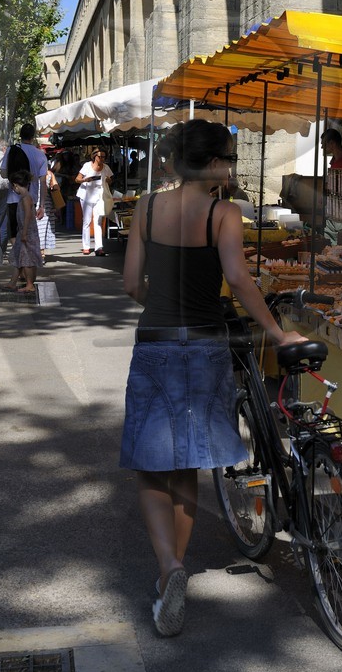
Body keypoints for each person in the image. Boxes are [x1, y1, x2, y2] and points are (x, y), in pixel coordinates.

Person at [121, 120, 308, 637]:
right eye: (228, 159)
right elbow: (239, 281)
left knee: (151, 465)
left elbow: (132, 282)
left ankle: (170, 571)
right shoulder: (224, 214)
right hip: (206, 346)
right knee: (188, 465)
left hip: (156, 343)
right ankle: (173, 575)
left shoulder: (147, 209)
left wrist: (159, 306)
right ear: (215, 164)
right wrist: (275, 332)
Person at [8, 167, 41, 294]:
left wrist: (25, 232)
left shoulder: (26, 198)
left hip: (27, 232)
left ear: (16, 185)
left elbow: (28, 215)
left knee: (27, 259)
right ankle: (13, 282)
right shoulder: (25, 197)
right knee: (19, 257)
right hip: (23, 230)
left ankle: (29, 284)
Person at [75, 149, 109, 255]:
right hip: (86, 196)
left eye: (104, 157)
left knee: (98, 221)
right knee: (86, 221)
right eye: (100, 156)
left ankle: (99, 247)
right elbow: (77, 179)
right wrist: (86, 179)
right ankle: (86, 246)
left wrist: (108, 180)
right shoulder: (87, 166)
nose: (102, 159)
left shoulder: (106, 167)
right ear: (94, 157)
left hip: (99, 196)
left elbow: (110, 180)